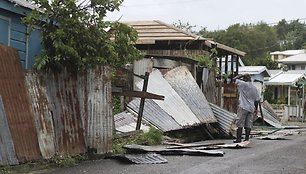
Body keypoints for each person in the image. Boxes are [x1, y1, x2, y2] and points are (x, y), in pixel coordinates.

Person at [233, 73, 260, 143]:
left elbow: (234, 79)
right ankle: (247, 138)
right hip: (251, 107)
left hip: (243, 106)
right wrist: (256, 109)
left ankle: (238, 139)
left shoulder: (243, 84)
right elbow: (257, 100)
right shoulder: (255, 88)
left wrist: (241, 75)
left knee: (240, 122)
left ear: (244, 79)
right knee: (248, 123)